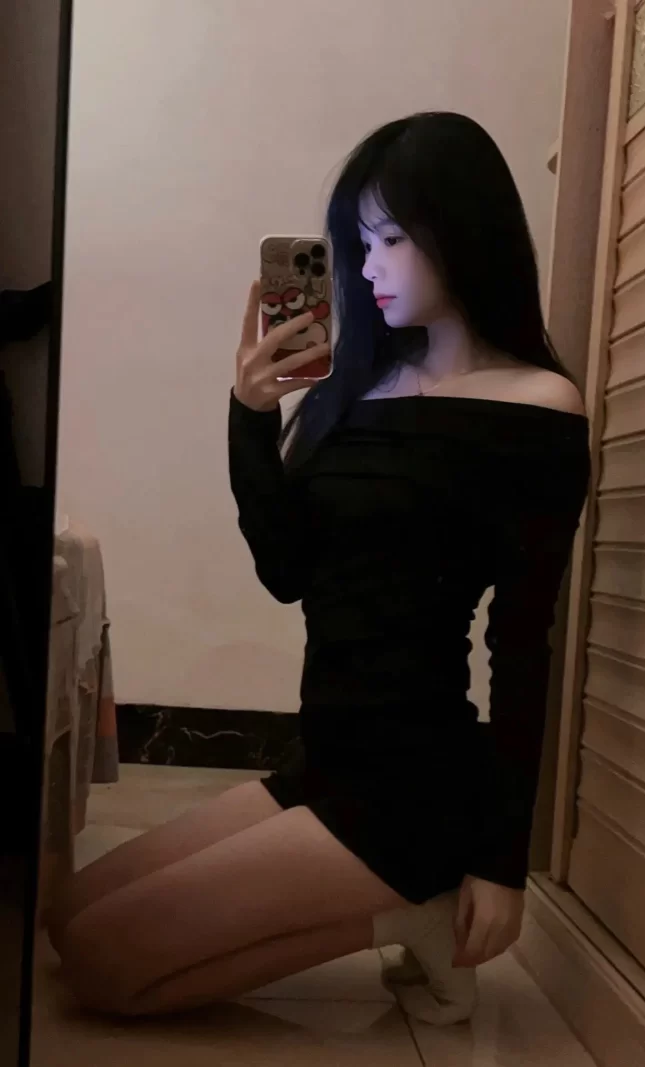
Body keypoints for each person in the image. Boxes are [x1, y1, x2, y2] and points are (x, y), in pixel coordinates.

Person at [47, 112, 589, 1025]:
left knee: (103, 963)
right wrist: (250, 414)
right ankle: (400, 910)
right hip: (327, 759)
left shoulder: (539, 409)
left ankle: (400, 907)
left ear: (462, 229)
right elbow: (288, 568)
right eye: (358, 244)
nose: (367, 267)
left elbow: (524, 646)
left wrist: (502, 860)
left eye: (390, 239)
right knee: (65, 919)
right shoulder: (361, 385)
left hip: (414, 784)